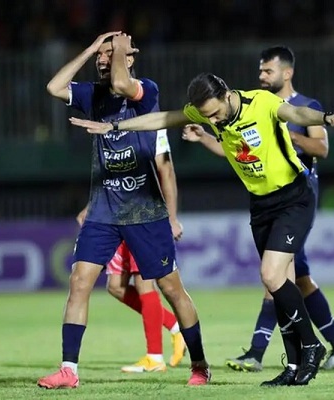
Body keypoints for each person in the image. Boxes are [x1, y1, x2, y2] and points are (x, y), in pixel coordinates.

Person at [69, 73, 334, 386]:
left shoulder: (260, 102)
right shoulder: (208, 112)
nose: (212, 120)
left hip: (294, 197)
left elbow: (297, 113)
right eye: (206, 116)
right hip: (261, 204)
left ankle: (312, 345)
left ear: (226, 94)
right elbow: (162, 119)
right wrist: (115, 127)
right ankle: (293, 366)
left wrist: (326, 118)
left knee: (271, 275)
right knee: (282, 284)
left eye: (214, 113)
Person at [38, 32, 210, 389]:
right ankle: (69, 369)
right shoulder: (92, 94)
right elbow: (54, 87)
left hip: (145, 212)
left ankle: (199, 364)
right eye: (100, 55)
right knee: (79, 281)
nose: (103, 59)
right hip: (103, 211)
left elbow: (121, 84)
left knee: (171, 289)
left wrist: (117, 49)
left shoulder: (147, 91)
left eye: (111, 53)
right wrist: (89, 49)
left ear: (129, 58)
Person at [182, 46, 334, 372]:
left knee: (275, 277)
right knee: (296, 278)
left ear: (286, 73)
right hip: (267, 202)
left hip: (296, 197)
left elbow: (321, 148)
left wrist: (287, 133)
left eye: (268, 71)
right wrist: (205, 138)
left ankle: (261, 352)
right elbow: (238, 152)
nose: (261, 76)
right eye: (260, 71)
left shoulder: (303, 106)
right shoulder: (248, 109)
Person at [74, 128, 186, 373]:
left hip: (143, 215)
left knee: (145, 283)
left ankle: (154, 357)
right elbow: (110, 174)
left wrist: (172, 217)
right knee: (115, 286)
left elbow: (166, 170)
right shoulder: (110, 126)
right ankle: (175, 326)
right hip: (114, 215)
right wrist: (91, 206)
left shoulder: (151, 125)